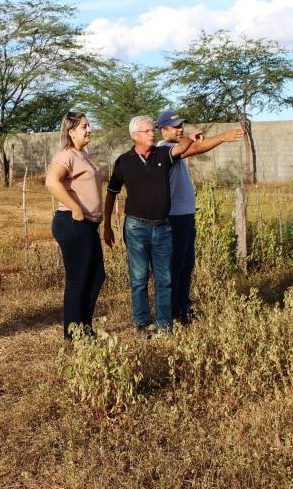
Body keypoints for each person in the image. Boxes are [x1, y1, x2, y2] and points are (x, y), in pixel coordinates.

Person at [103, 115, 200, 334]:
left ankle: (164, 325)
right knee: (139, 278)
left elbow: (180, 148)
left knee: (164, 279)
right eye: (147, 131)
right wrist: (107, 225)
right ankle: (140, 324)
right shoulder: (124, 162)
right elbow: (111, 193)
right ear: (135, 136)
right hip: (136, 228)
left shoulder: (162, 155)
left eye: (152, 130)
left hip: (162, 227)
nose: (152, 134)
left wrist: (191, 138)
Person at [155, 109, 244, 323]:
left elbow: (191, 146)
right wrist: (223, 137)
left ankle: (183, 307)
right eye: (175, 127)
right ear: (163, 130)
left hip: (185, 214)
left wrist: (190, 139)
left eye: (181, 125)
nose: (180, 129)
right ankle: (173, 310)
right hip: (174, 216)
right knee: (175, 265)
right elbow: (194, 148)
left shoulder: (176, 147)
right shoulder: (164, 149)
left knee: (186, 263)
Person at [44, 111, 105, 340]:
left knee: (96, 276)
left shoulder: (83, 155)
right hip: (72, 221)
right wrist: (76, 208)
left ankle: (84, 328)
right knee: (78, 278)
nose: (89, 130)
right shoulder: (67, 155)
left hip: (87, 225)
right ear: (71, 132)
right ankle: (73, 334)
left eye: (89, 125)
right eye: (84, 127)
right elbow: (51, 181)